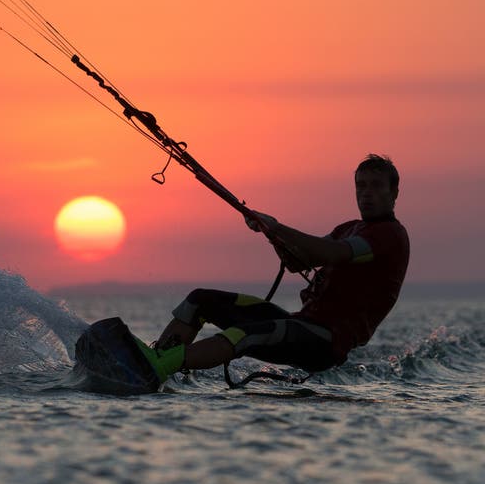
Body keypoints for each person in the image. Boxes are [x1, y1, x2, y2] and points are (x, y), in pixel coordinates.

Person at [134, 154, 410, 383]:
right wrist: (270, 233)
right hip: (302, 324)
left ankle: (158, 367)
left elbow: (330, 253)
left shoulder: (389, 236)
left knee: (243, 335)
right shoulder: (349, 228)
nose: (367, 193)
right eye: (361, 186)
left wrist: (277, 226)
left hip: (325, 342)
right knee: (200, 300)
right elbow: (297, 262)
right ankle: (157, 361)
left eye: (376, 186)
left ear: (394, 192)